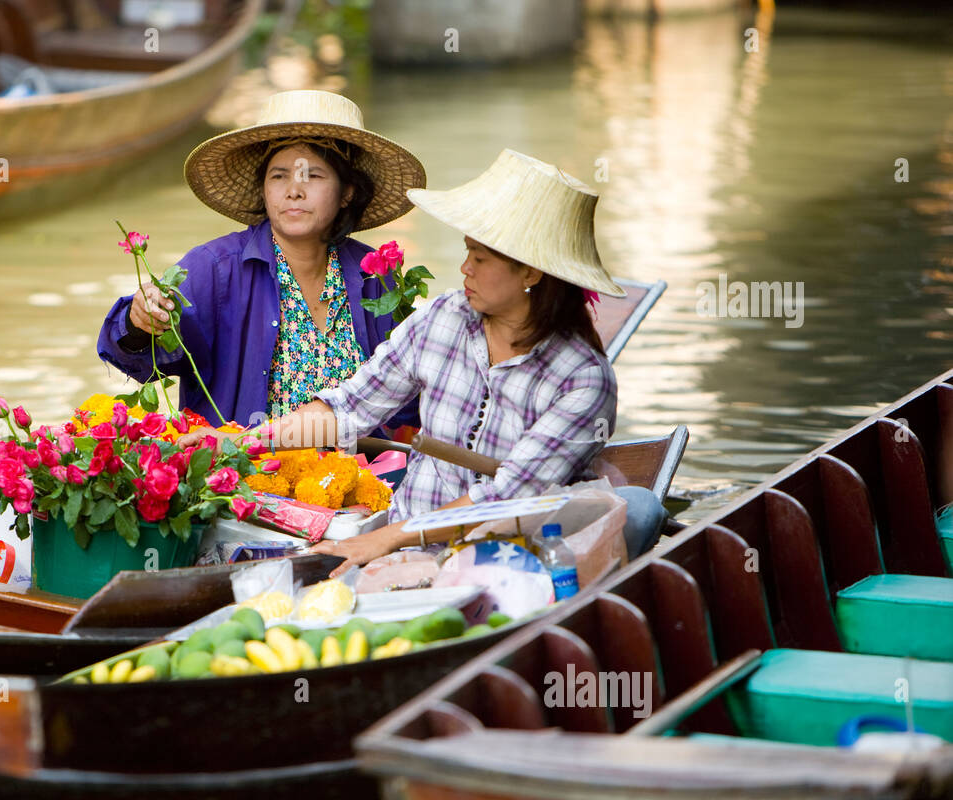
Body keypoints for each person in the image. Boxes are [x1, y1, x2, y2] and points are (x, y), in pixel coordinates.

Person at [182, 149, 668, 571]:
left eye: (480, 258)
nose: (464, 268)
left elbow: (509, 495)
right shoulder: (444, 318)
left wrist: (387, 537)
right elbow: (349, 408)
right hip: (400, 548)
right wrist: (238, 444)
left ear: (530, 271)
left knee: (640, 508)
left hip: (510, 555)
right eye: (467, 252)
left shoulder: (581, 378)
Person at [97, 90, 426, 429]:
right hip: (246, 475)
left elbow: (405, 402)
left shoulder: (376, 276)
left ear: (347, 193)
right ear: (264, 188)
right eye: (279, 175)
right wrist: (139, 322)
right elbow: (140, 360)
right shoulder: (214, 268)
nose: (293, 191)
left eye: (312, 176)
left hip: (363, 475)